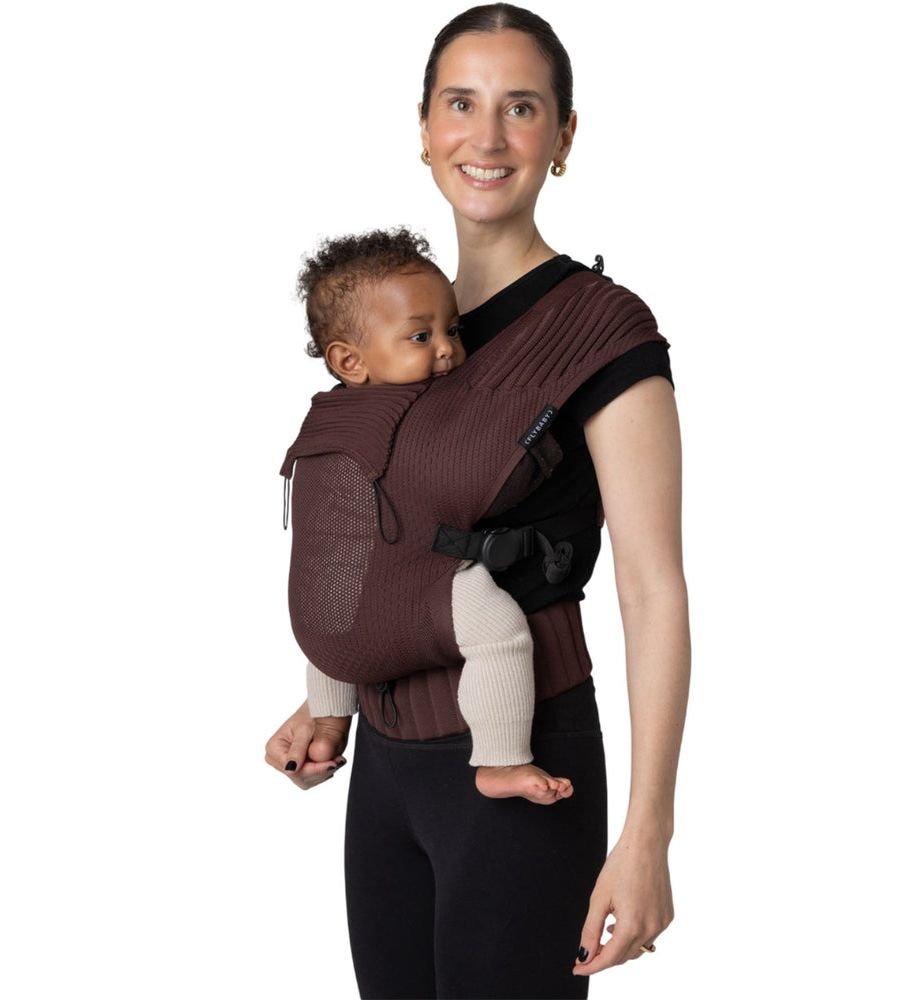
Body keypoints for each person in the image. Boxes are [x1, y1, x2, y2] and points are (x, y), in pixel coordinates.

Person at [265, 5, 690, 997]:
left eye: (521, 107)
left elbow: (652, 591)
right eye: (461, 104)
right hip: (385, 775)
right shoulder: (397, 327)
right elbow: (391, 545)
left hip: (524, 765)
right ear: (423, 127)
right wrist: (328, 699)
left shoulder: (603, 332)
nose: (487, 137)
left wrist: (647, 835)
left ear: (563, 136)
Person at [291, 225, 573, 805]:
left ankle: (328, 722)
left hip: (328, 617)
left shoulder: (324, 419)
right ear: (349, 360)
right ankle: (500, 758)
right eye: (421, 336)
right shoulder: (433, 408)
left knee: (336, 604)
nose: (446, 348)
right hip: (417, 586)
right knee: (500, 633)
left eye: (453, 330)